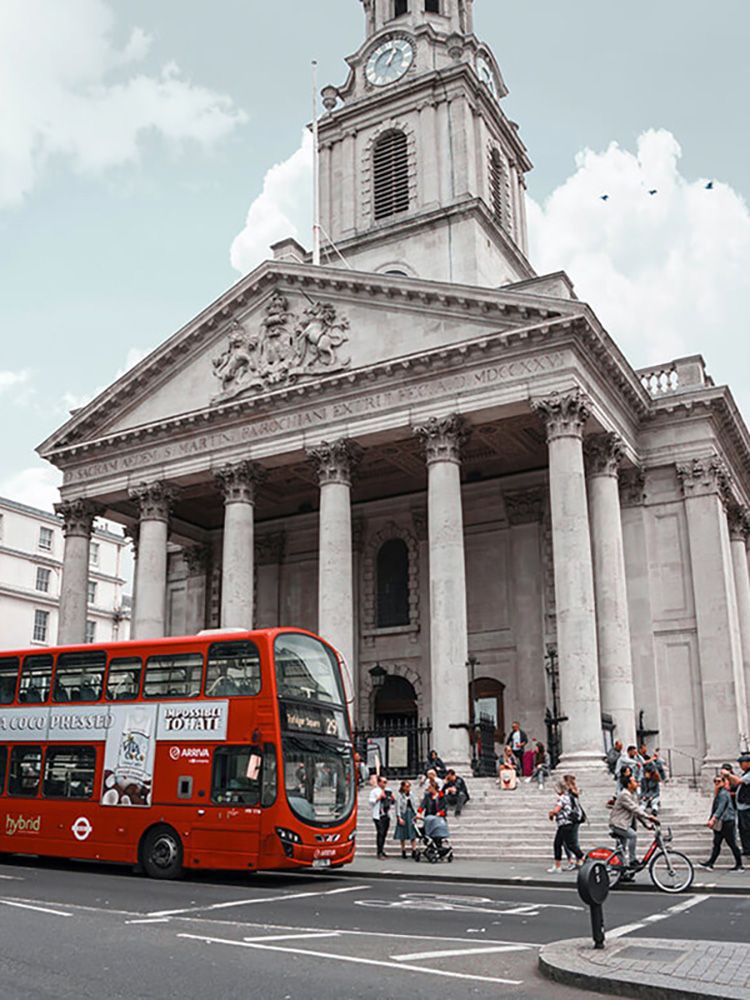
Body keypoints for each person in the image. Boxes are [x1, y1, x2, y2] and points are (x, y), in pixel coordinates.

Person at [609, 773, 658, 868]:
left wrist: (646, 824)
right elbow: (635, 809)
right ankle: (632, 860)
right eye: (634, 781)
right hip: (618, 824)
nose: (637, 783)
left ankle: (621, 870)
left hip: (623, 824)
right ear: (629, 784)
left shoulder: (633, 795)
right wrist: (649, 817)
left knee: (621, 849)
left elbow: (636, 811)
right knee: (633, 835)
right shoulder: (624, 794)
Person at [699, 774, 744, 871]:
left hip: (726, 822)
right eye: (715, 781)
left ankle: (739, 864)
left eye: (719, 781)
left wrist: (713, 819)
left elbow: (720, 808)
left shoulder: (723, 793)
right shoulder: (720, 793)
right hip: (722, 822)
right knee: (717, 843)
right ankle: (710, 863)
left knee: (731, 843)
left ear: (724, 782)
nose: (716, 783)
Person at [547, 779, 583, 872]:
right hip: (572, 822)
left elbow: (556, 810)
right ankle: (581, 858)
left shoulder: (562, 798)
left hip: (564, 823)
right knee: (569, 844)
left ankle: (558, 865)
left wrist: (551, 814)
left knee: (558, 844)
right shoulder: (573, 797)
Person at [723, 752, 750, 857]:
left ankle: (748, 849)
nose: (740, 765)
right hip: (742, 807)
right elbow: (735, 783)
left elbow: (738, 781)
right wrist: (728, 777)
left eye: (742, 763)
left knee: (746, 828)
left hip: (747, 806)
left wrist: (728, 774)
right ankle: (746, 848)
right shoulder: (745, 774)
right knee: (743, 829)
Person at [369, 774, 394, 859]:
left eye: (386, 782)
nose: (385, 784)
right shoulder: (374, 791)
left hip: (386, 814)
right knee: (380, 833)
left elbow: (391, 802)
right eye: (383, 782)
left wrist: (392, 798)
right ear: (379, 783)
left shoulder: (387, 791)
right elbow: (371, 802)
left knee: (384, 834)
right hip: (378, 815)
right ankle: (379, 852)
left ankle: (382, 850)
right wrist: (378, 798)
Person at [393, 779, 420, 859]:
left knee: (413, 833)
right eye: (407, 786)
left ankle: (414, 850)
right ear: (403, 787)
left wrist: (416, 814)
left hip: (411, 814)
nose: (408, 788)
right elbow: (397, 807)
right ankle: (403, 850)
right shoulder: (399, 795)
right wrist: (399, 817)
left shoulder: (411, 794)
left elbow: (414, 805)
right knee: (402, 834)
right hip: (403, 814)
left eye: (409, 786)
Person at [564, 774, 585, 862]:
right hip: (576, 817)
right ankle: (578, 859)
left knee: (569, 841)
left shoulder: (569, 792)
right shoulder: (574, 791)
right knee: (572, 840)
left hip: (571, 818)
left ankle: (575, 859)